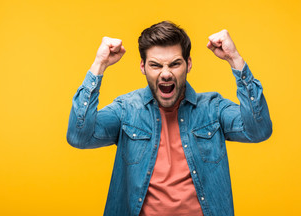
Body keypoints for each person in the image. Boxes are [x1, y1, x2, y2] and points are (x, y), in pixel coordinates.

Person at [66, 21, 272, 216]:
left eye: (174, 64)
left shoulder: (213, 108)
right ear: (142, 67)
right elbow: (79, 137)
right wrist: (99, 64)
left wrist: (235, 59)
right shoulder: (126, 109)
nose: (165, 74)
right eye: (155, 65)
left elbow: (258, 130)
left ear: (188, 64)